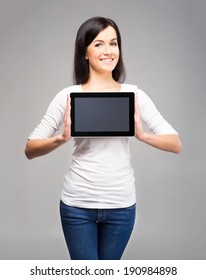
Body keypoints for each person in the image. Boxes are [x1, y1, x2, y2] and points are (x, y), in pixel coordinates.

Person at [25, 16, 182, 260]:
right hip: (77, 205)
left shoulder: (134, 94)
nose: (108, 51)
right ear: (84, 52)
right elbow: (30, 149)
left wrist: (142, 135)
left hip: (121, 205)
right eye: (99, 44)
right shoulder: (68, 96)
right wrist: (61, 138)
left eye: (113, 43)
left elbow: (175, 144)